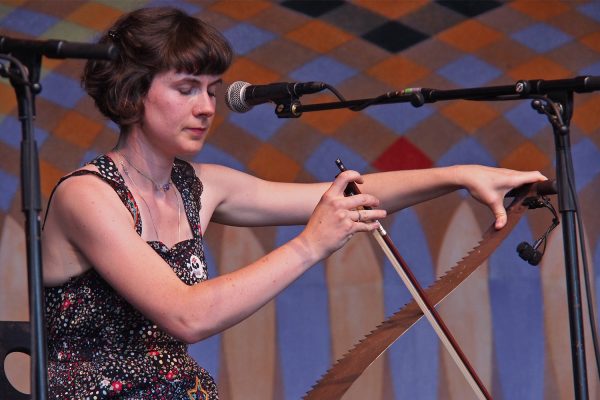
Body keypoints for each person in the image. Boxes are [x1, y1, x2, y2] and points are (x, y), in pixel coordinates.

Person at [41, 6, 546, 399]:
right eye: (186, 88)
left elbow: (351, 193)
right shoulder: (88, 195)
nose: (206, 108)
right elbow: (186, 316)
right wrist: (310, 246)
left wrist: (459, 175)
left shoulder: (200, 184)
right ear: (132, 92)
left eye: (213, 91)